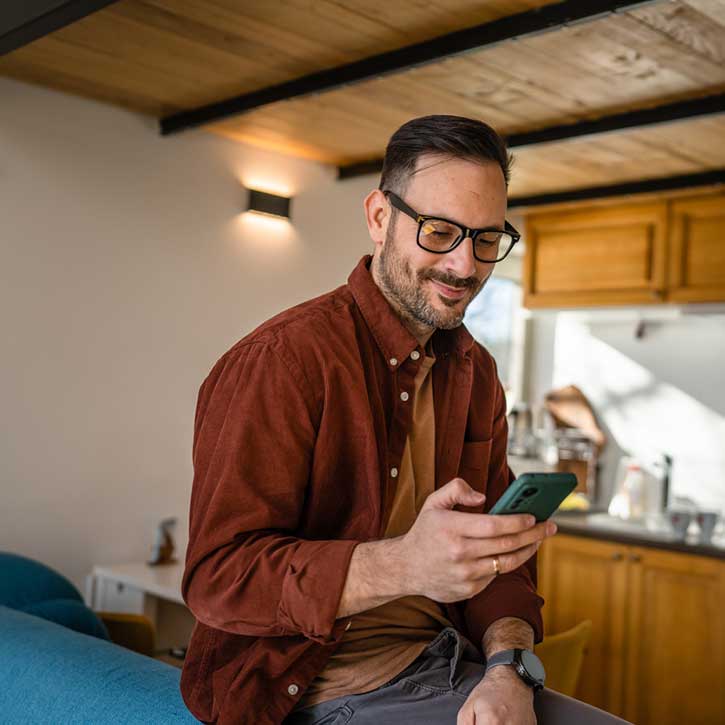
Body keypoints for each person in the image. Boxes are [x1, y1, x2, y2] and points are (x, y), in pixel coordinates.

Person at [180, 115, 558, 725]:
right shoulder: (282, 362)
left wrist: (509, 669)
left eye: (487, 239)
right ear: (380, 217)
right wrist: (405, 564)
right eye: (439, 232)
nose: (465, 267)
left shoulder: (476, 371)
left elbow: (495, 567)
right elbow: (218, 580)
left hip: (453, 666)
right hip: (312, 690)